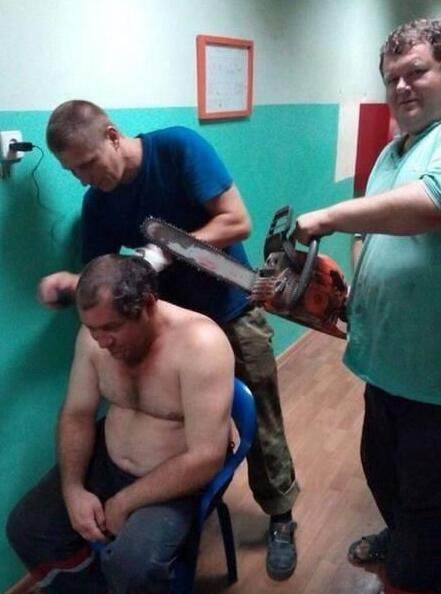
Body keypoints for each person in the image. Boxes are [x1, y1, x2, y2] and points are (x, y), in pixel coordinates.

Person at [37, 100, 299, 579]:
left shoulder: (177, 149)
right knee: (180, 427)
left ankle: (281, 516)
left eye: (88, 164)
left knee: (260, 422)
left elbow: (237, 221)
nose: (84, 179)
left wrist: (162, 252)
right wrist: (71, 284)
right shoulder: (98, 202)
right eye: (73, 172)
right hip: (166, 333)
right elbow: (103, 277)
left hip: (229, 309)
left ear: (112, 135)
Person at [292, 18, 441, 594]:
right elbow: (369, 227)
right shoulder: (391, 152)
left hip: (432, 378)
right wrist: (354, 285)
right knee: (384, 471)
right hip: (385, 362)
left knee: (427, 498)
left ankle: (411, 571)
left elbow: (427, 204)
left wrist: (327, 217)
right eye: (391, 78)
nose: (401, 87)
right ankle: (401, 537)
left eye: (416, 72)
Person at [7, 254, 234, 594]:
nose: (101, 342)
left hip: (174, 477)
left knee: (133, 564)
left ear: (148, 305)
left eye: (111, 328)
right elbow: (77, 413)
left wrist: (125, 501)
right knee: (27, 526)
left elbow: (206, 457)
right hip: (108, 459)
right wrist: (73, 489)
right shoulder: (95, 338)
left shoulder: (200, 345)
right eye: (92, 329)